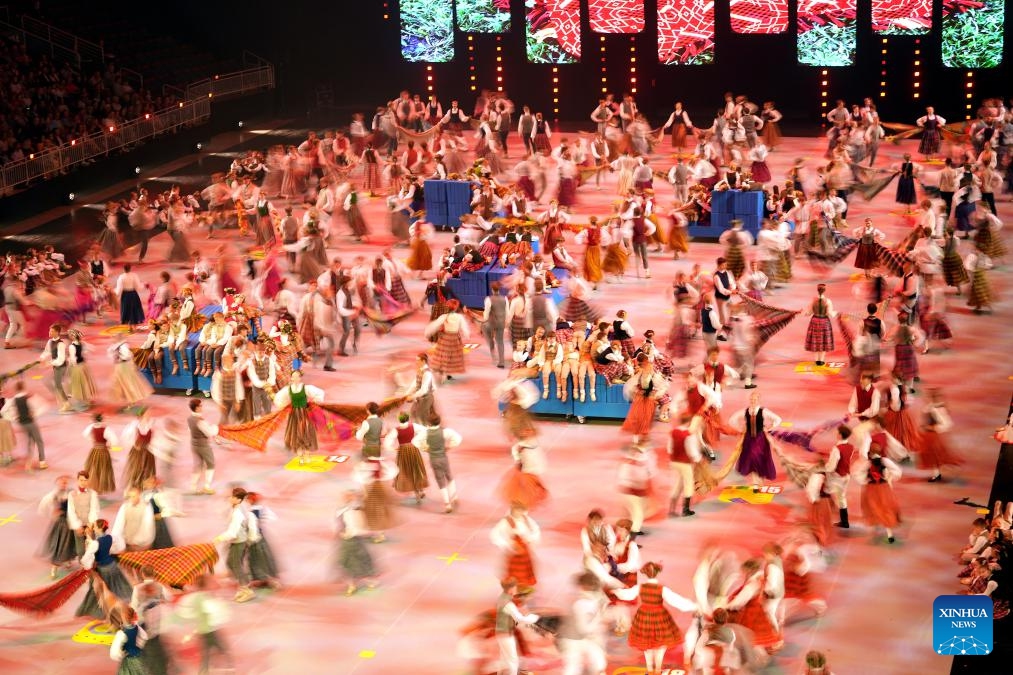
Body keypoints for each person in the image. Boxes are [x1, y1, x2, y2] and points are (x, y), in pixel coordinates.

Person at [613, 561, 698, 674]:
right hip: (660, 617)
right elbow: (676, 601)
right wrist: (693, 606)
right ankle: (657, 670)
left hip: (644, 617)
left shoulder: (640, 587)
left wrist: (615, 591)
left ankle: (650, 669)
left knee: (647, 647)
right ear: (657, 573)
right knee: (660, 646)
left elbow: (627, 595)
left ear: (645, 573)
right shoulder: (661, 588)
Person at [176, 574, 235, 675]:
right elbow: (216, 611)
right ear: (206, 585)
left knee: (206, 654)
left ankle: (204, 671)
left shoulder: (194, 597)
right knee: (222, 649)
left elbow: (183, 611)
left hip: (202, 630)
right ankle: (229, 668)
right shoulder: (205, 598)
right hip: (211, 630)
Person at [729, 391, 782, 493]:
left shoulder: (764, 411)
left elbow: (777, 419)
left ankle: (758, 481)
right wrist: (741, 428)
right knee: (752, 459)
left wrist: (770, 427)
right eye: (751, 399)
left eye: (755, 400)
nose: (753, 401)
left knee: (758, 458)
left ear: (758, 400)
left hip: (760, 439)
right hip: (749, 439)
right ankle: (756, 483)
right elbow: (732, 420)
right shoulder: (745, 411)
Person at [213, 487, 258, 603]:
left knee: (235, 564)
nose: (230, 498)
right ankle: (243, 586)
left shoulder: (238, 513)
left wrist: (219, 538)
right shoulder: (237, 508)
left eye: (233, 497)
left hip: (239, 542)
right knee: (231, 563)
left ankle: (246, 590)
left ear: (238, 500)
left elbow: (233, 532)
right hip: (237, 541)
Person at [272, 369, 325, 463]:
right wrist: (283, 405)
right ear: (291, 378)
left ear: (300, 378)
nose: (295, 378)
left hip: (305, 412)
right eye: (294, 376)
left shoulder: (306, 388)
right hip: (294, 414)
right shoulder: (288, 390)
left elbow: (318, 394)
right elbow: (280, 399)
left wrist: (314, 402)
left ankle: (307, 453)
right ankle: (300, 454)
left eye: (297, 376)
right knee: (297, 432)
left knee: (306, 431)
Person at [414, 414, 462, 513]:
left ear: (429, 423)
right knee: (449, 477)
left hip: (434, 459)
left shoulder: (426, 433)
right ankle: (454, 496)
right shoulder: (445, 431)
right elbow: (458, 438)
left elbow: (415, 441)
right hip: (443, 458)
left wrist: (425, 448)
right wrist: (449, 447)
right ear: (439, 422)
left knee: (440, 481)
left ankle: (447, 504)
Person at [335, 490, 379, 595]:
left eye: (350, 497)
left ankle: (369, 581)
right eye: (346, 497)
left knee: (361, 562)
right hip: (346, 542)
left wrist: (352, 533)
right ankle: (352, 585)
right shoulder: (341, 511)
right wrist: (341, 533)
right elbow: (338, 525)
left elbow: (363, 528)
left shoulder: (357, 511)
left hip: (356, 541)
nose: (347, 499)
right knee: (347, 563)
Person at [494, 577, 541, 675]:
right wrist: (536, 618)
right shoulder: (508, 604)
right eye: (515, 587)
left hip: (500, 633)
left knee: (504, 660)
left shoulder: (502, 597)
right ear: (511, 588)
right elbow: (519, 618)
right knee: (513, 661)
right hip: (506, 634)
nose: (516, 589)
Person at [491, 502, 541, 589]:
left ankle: (525, 587)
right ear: (512, 510)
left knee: (525, 570)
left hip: (525, 550)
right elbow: (495, 534)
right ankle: (514, 587)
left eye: (521, 510)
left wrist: (530, 539)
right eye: (517, 510)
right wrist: (509, 544)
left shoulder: (527, 520)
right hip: (514, 552)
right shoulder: (506, 521)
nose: (519, 512)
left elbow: (535, 530)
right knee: (515, 572)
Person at [2, 381, 47, 470]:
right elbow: (43, 406)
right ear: (23, 387)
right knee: (39, 441)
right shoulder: (28, 397)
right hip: (31, 423)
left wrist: (14, 417)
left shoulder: (12, 400)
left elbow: (3, 411)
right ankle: (42, 462)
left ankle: (28, 462)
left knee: (30, 442)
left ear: (16, 389)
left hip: (22, 424)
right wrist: (34, 414)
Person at [860, 449, 902, 543]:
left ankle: (876, 527)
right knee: (885, 508)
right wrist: (889, 478)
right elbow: (897, 471)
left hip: (871, 489)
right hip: (883, 488)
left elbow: (859, 474)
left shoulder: (867, 463)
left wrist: (865, 480)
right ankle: (889, 534)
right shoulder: (885, 461)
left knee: (873, 507)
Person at [668, 413, 702, 517]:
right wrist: (698, 459)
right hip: (685, 463)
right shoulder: (688, 434)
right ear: (688, 422)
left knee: (678, 484)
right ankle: (685, 509)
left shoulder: (673, 432)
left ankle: (672, 509)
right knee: (688, 485)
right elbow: (691, 450)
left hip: (674, 462)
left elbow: (669, 448)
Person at [188, 399, 219, 495]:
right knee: (211, 464)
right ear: (197, 408)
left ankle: (192, 487)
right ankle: (207, 486)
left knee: (198, 466)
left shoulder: (189, 418)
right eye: (200, 406)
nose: (202, 407)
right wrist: (216, 427)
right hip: (203, 446)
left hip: (194, 444)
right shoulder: (200, 421)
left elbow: (189, 430)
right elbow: (210, 432)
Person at [112, 487, 156, 552]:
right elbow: (118, 525)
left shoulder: (146, 506)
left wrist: (137, 541)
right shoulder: (125, 507)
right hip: (128, 543)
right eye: (130, 497)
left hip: (143, 544)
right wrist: (117, 542)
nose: (132, 499)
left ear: (139, 495)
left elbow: (147, 527)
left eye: (134, 496)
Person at [83, 413, 117, 494]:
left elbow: (85, 434)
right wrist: (109, 446)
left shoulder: (91, 427)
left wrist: (93, 441)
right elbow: (115, 441)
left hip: (94, 450)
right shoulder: (106, 429)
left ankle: (94, 487)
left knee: (93, 468)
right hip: (103, 451)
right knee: (102, 469)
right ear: (102, 419)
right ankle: (99, 488)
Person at [39, 323, 71, 413]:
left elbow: (61, 360)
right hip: (56, 366)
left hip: (62, 366)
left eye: (52, 331)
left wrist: (48, 363)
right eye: (50, 330)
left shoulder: (61, 344)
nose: (49, 332)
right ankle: (61, 397)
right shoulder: (50, 342)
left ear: (57, 332)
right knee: (48, 381)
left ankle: (66, 403)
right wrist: (41, 358)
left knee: (58, 385)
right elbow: (47, 351)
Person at [109, 605, 148, 675]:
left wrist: (121, 654)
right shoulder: (136, 627)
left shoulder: (121, 634)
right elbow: (144, 637)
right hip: (138, 657)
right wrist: (139, 646)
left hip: (129, 659)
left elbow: (114, 653)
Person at [804, 284, 835, 366]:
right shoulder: (828, 301)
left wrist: (803, 312)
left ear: (817, 290)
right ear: (824, 290)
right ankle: (821, 360)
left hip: (815, 320)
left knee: (816, 340)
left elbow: (809, 312)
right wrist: (836, 313)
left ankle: (816, 360)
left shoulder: (813, 300)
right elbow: (830, 313)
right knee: (823, 340)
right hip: (824, 321)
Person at [483, 281, 508, 368]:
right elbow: (507, 312)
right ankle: (501, 362)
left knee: (485, 330)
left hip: (491, 323)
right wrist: (505, 322)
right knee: (500, 341)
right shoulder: (505, 298)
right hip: (501, 323)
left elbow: (486, 314)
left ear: (492, 289)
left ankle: (491, 346)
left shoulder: (488, 299)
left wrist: (484, 320)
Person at [115, 264, 146, 331]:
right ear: (130, 268)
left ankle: (129, 327)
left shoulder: (121, 277)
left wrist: (115, 293)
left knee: (127, 309)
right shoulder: (134, 275)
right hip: (133, 294)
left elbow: (119, 289)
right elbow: (138, 286)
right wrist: (143, 285)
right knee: (134, 309)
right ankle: (134, 326)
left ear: (124, 269)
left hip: (125, 295)